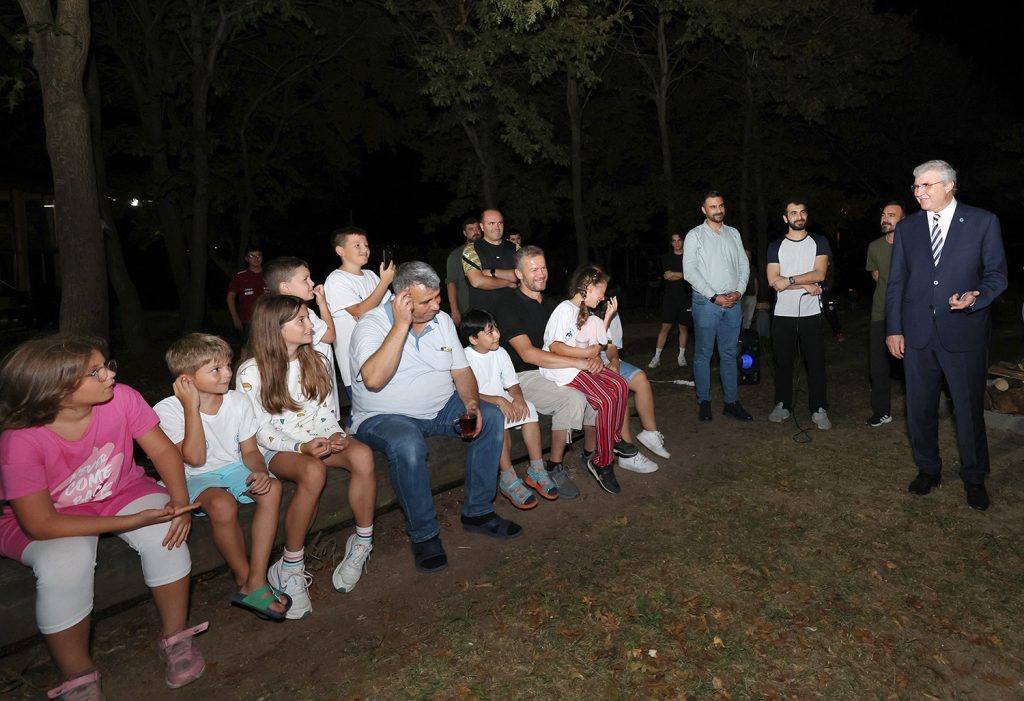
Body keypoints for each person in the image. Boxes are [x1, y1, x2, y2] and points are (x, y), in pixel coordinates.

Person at [0, 336, 207, 699]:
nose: (110, 374)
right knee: (65, 562)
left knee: (166, 530)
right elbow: (40, 524)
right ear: (56, 390)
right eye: (95, 372)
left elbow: (162, 451)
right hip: (50, 516)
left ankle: (176, 637)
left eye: (105, 365)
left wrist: (179, 503)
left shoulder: (122, 398)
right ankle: (78, 675)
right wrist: (131, 522)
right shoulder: (20, 440)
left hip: (120, 490)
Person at [349, 262, 518, 574]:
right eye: (427, 301)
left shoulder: (441, 322)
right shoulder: (371, 325)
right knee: (407, 444)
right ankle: (424, 535)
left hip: (441, 409)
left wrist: (471, 404)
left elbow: (461, 371)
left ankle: (478, 512)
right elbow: (373, 379)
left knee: (492, 416)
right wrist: (400, 326)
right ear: (403, 299)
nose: (437, 305)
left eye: (438, 297)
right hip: (384, 416)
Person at [236, 295, 377, 617]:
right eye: (301, 319)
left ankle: (362, 542)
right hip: (277, 449)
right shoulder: (251, 371)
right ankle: (291, 565)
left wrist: (334, 434)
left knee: (363, 456)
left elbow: (325, 413)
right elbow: (260, 430)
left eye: (307, 318)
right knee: (313, 471)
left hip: (316, 442)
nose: (311, 325)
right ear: (276, 327)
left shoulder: (317, 360)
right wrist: (302, 447)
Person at [886, 159, 1007, 511]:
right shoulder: (907, 229)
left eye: (926, 185)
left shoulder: (983, 222)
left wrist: (976, 298)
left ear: (949, 185)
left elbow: (997, 275)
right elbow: (896, 282)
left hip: (963, 333)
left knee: (967, 410)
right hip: (917, 334)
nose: (918, 192)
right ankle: (928, 469)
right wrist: (894, 328)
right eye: (915, 186)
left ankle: (974, 476)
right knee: (919, 409)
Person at [154, 334, 290, 622]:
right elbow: (194, 459)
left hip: (232, 467)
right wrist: (191, 408)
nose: (227, 374)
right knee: (221, 504)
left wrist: (260, 471)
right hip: (191, 476)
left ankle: (256, 579)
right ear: (186, 379)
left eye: (227, 365)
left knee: (272, 488)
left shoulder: (237, 401)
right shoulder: (167, 410)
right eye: (215, 369)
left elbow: (250, 451)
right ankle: (245, 578)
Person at [493, 247, 639, 501]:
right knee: (573, 398)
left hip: (561, 368)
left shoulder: (552, 304)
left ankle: (592, 455)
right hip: (524, 376)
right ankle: (554, 466)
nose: (541, 274)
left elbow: (579, 339)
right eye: (533, 269)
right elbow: (528, 354)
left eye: (543, 267)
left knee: (606, 390)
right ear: (518, 274)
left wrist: (591, 358)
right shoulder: (508, 305)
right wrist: (580, 362)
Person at [543, 265, 632, 495]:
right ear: (588, 287)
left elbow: (598, 345)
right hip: (564, 370)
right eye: (601, 292)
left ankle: (614, 438)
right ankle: (602, 462)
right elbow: (555, 347)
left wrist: (608, 317)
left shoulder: (587, 314)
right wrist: (585, 355)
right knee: (605, 399)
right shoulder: (564, 310)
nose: (603, 297)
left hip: (579, 366)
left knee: (621, 384)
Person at [460, 309, 557, 510]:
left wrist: (518, 398)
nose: (497, 335)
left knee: (529, 408)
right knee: (497, 417)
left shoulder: (500, 352)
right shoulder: (464, 358)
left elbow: (512, 383)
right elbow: (467, 392)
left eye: (496, 328)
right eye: (490, 332)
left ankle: (537, 469)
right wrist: (497, 401)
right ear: (473, 339)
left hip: (500, 398)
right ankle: (508, 477)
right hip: (479, 403)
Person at [683, 190, 753, 422]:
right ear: (704, 210)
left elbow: (743, 264)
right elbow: (689, 271)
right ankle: (704, 401)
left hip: (733, 302)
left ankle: (731, 403)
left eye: (721, 205)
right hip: (706, 304)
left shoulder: (734, 233)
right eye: (713, 206)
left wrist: (739, 291)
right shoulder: (695, 235)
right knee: (704, 354)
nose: (718, 210)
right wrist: (714, 297)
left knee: (730, 353)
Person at [766, 199, 832, 429]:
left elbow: (820, 274)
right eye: (793, 213)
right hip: (782, 314)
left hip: (811, 313)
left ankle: (819, 408)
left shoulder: (819, 242)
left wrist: (790, 280)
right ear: (786, 218)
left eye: (802, 212)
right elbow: (774, 281)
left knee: (815, 363)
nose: (799, 216)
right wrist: (804, 284)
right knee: (782, 362)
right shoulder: (775, 245)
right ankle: (783, 404)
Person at [601, 297, 670, 473]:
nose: (602, 295)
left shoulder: (610, 309)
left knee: (640, 379)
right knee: (620, 387)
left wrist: (614, 361)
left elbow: (611, 346)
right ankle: (628, 454)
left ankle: (650, 434)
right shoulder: (579, 311)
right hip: (587, 364)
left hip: (607, 360)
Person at [324, 226, 395, 397]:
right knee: (363, 411)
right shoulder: (336, 280)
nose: (365, 250)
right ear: (340, 251)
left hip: (382, 356)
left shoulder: (370, 275)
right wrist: (384, 283)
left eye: (366, 245)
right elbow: (360, 312)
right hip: (357, 366)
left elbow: (391, 306)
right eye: (357, 245)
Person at [264, 256, 340, 415]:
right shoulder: (305, 314)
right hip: (315, 381)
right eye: (305, 279)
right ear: (285, 287)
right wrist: (322, 304)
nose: (312, 283)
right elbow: (330, 336)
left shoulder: (274, 314)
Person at [865, 201, 905, 427]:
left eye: (891, 215)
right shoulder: (875, 247)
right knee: (878, 366)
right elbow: (877, 277)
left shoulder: (912, 245)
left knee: (912, 364)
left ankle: (921, 408)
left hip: (908, 314)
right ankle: (881, 411)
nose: (885, 218)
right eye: (883, 214)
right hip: (880, 312)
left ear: (903, 220)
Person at [462, 208, 519, 311]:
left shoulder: (515, 248)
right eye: (491, 223)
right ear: (482, 226)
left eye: (500, 223)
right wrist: (508, 283)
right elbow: (477, 281)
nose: (497, 227)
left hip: (513, 310)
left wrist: (491, 272)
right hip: (484, 315)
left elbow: (520, 275)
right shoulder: (471, 249)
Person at [649, 233, 691, 369]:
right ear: (671, 243)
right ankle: (656, 357)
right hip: (670, 297)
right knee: (665, 327)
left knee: (683, 327)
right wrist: (683, 275)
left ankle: (681, 356)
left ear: (683, 241)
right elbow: (668, 276)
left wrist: (676, 274)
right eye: (674, 241)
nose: (677, 243)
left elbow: (691, 276)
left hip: (685, 297)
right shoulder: (666, 258)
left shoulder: (689, 257)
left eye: (679, 240)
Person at [445, 217, 481, 326]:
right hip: (468, 308)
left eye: (477, 228)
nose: (476, 231)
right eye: (471, 229)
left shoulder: (489, 250)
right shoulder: (456, 255)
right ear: (465, 233)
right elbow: (451, 283)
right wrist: (454, 310)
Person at [227, 245, 269, 333]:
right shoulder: (240, 276)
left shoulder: (270, 274)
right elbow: (230, 298)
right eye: (252, 256)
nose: (256, 258)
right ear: (246, 259)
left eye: (258, 255)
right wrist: (235, 318)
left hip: (268, 321)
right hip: (247, 321)